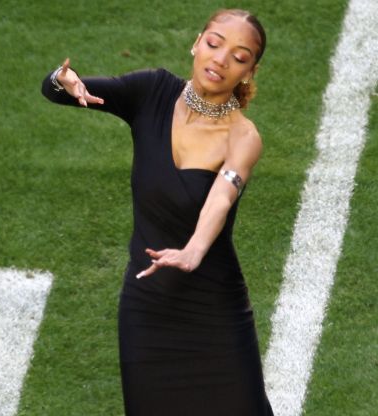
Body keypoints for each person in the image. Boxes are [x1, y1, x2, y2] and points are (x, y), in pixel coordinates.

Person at [41, 9, 273, 415]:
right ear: (197, 43)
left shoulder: (243, 136)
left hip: (213, 311)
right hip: (149, 309)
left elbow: (221, 197)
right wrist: (64, 82)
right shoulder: (152, 91)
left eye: (238, 56)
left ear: (250, 71)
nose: (219, 60)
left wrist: (193, 251)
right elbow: (59, 90)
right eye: (215, 44)